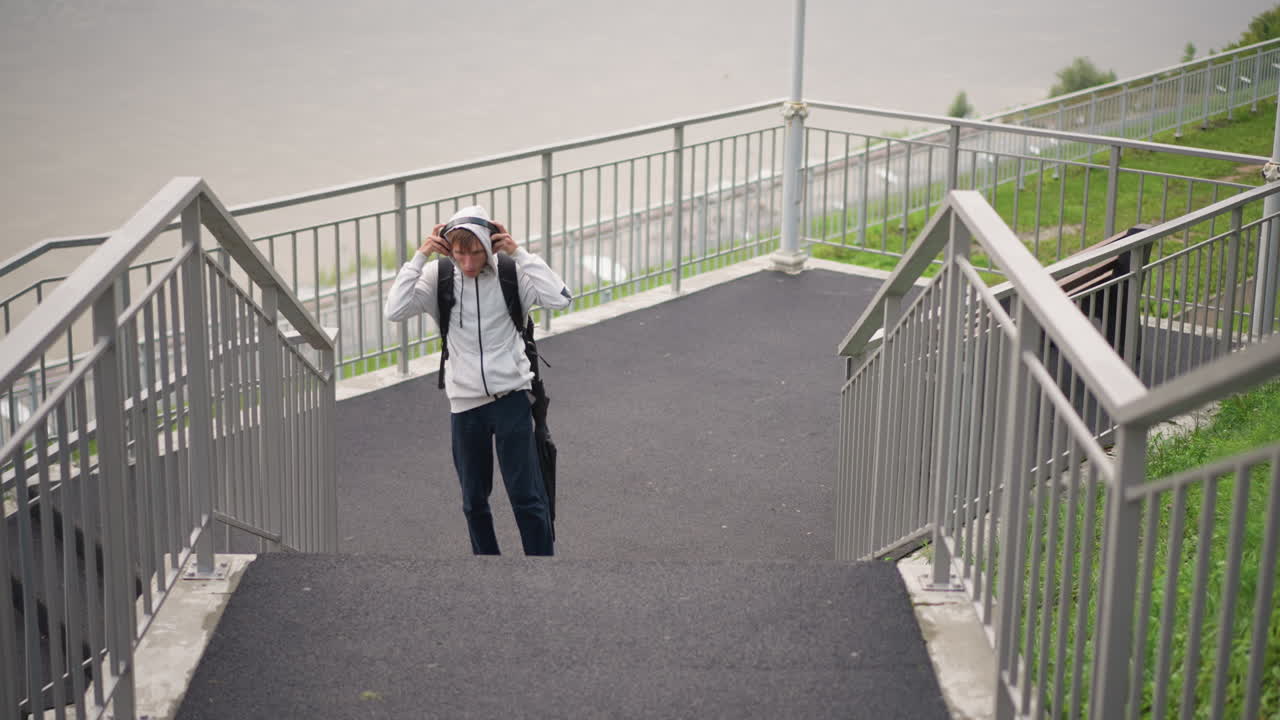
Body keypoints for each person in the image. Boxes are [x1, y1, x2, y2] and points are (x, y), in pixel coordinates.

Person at [384, 206, 572, 556]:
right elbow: (394, 309)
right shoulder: (438, 277)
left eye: (475, 252)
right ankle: (487, 570)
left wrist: (519, 253)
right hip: (465, 405)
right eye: (459, 253)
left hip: (512, 398)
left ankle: (542, 571)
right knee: (473, 501)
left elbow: (561, 298)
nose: (468, 263)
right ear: (448, 248)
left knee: (527, 498)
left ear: (490, 244)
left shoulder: (511, 273)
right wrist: (421, 255)